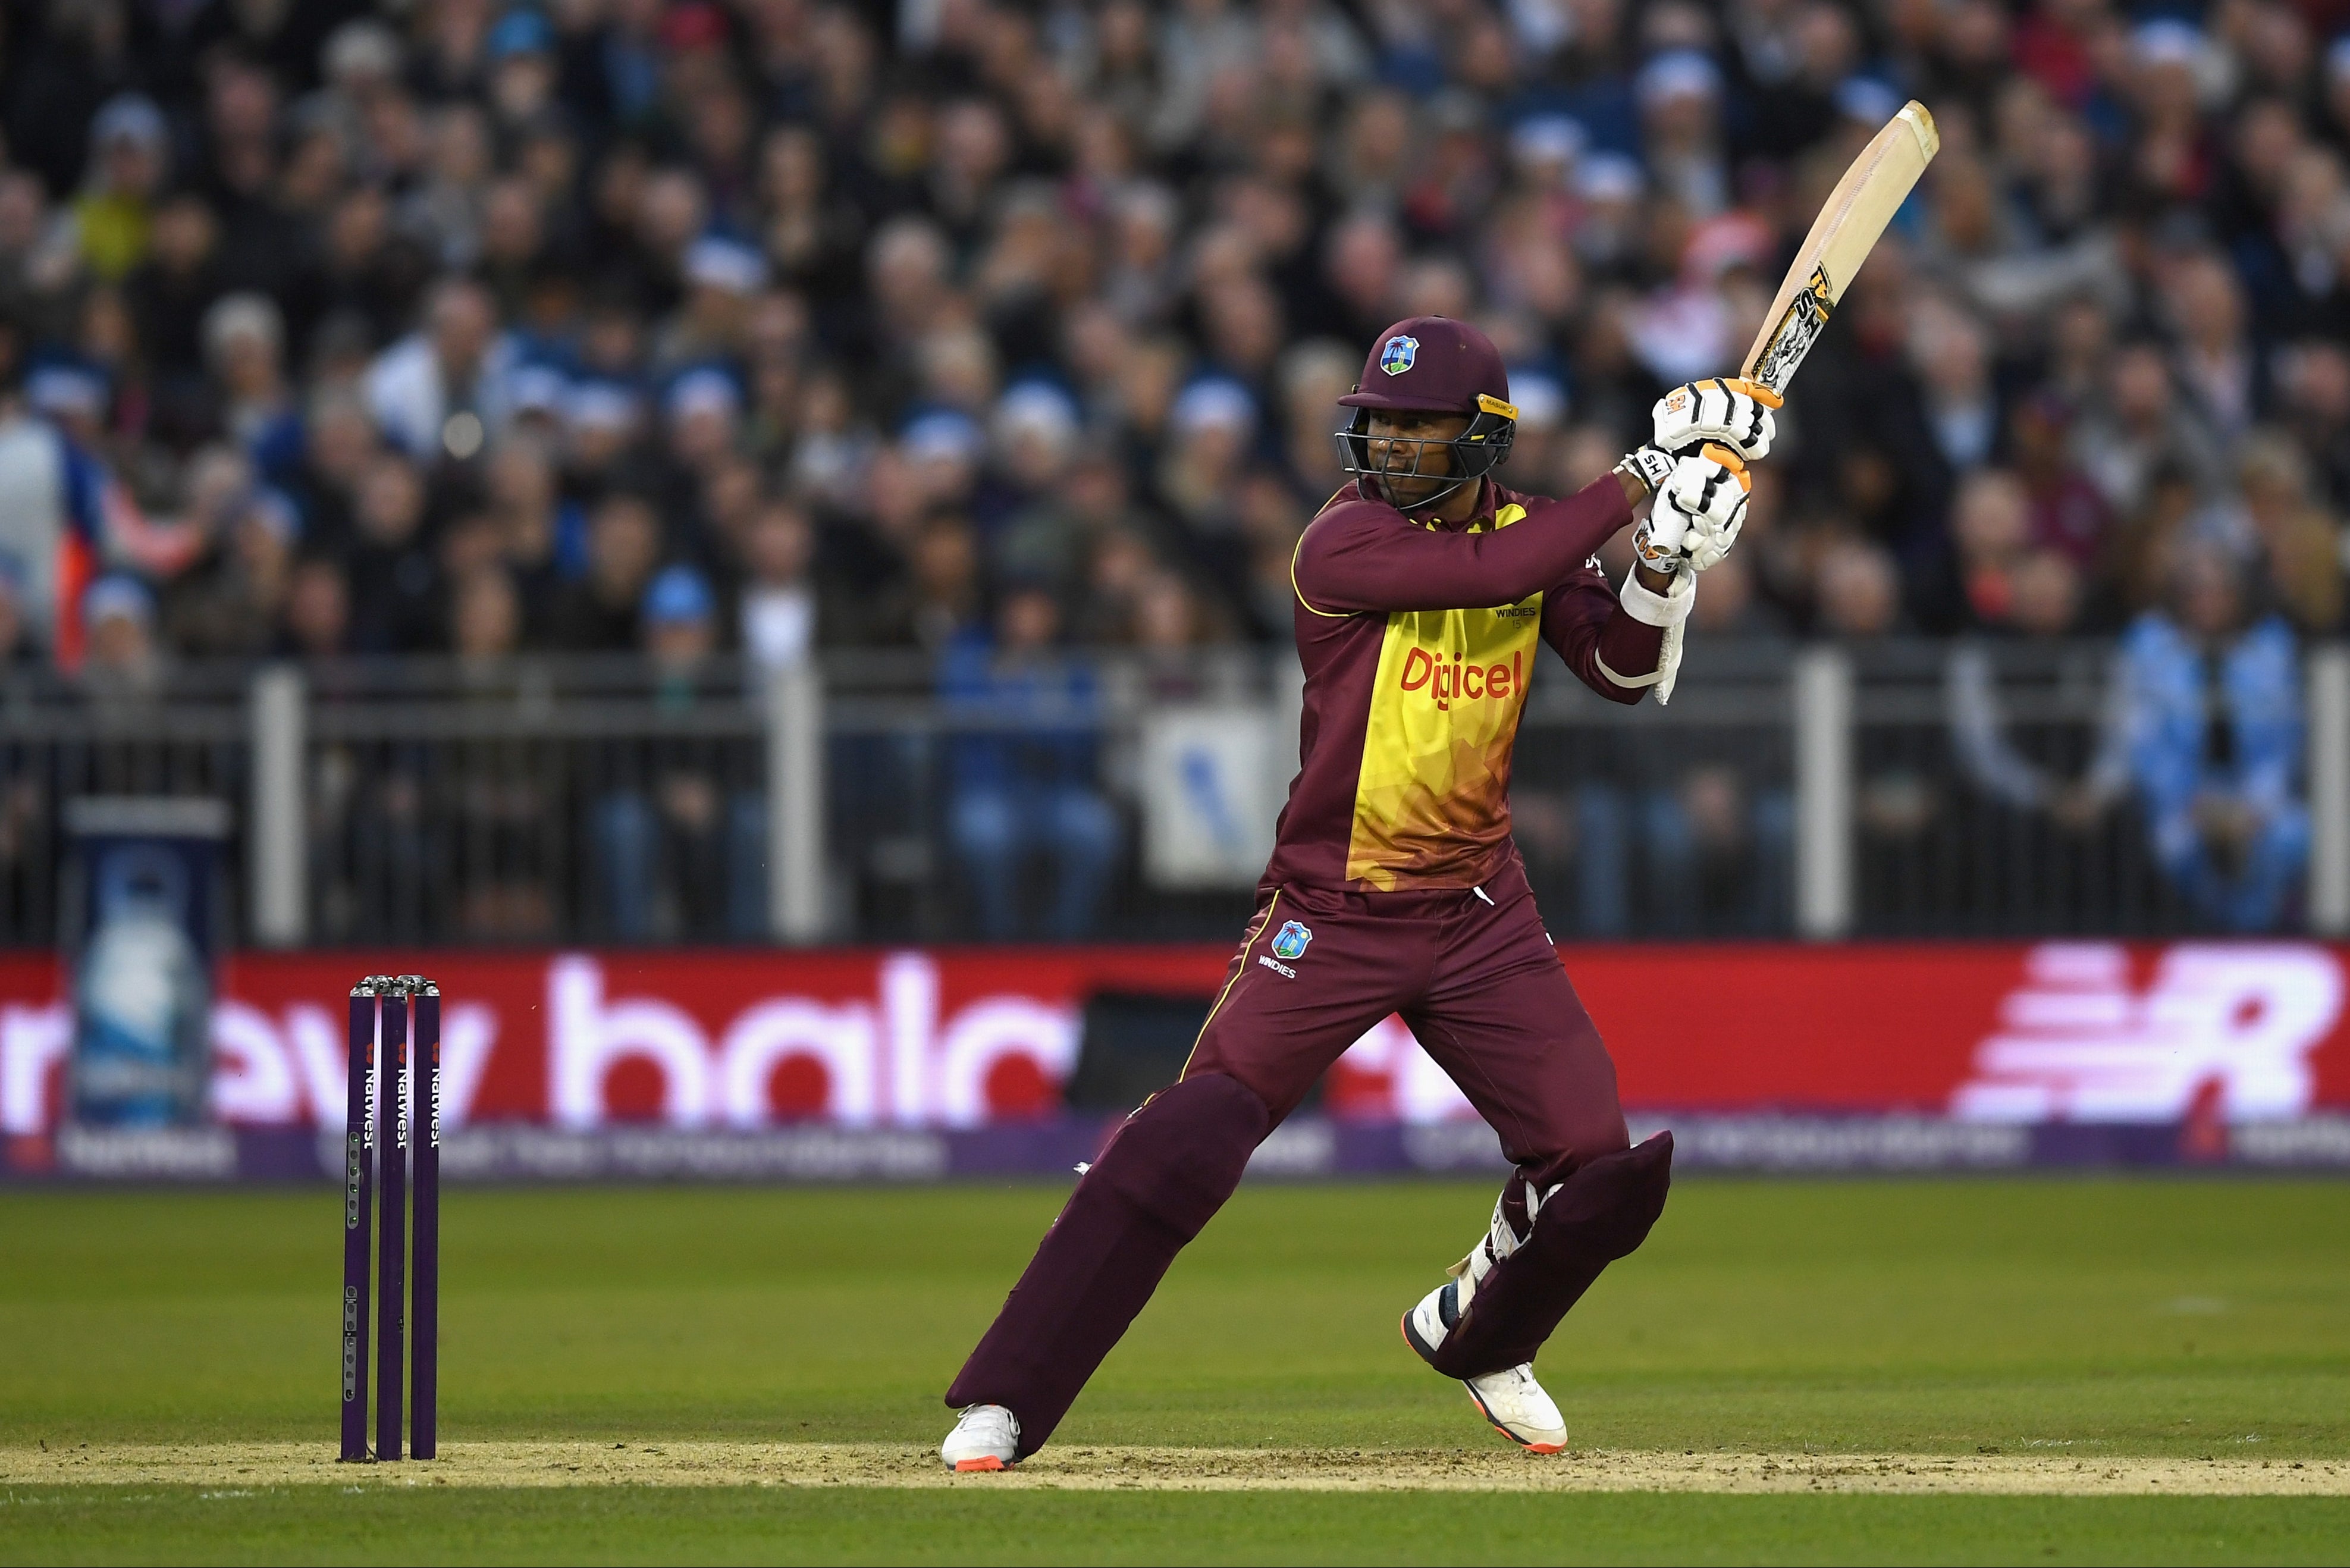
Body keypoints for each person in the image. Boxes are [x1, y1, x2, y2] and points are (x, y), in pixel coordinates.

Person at [939, 319, 1767, 1469]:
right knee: (1194, 1133)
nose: (1384, 443)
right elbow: (1495, 574)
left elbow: (1622, 671)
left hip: (1479, 912)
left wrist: (1667, 563)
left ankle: (1479, 1332)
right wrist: (1638, 479)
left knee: (1600, 1169)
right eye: (1375, 420)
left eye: (1416, 427)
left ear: (1482, 441)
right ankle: (1011, 1400)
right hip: (1331, 910)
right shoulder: (1341, 542)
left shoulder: (1536, 533)